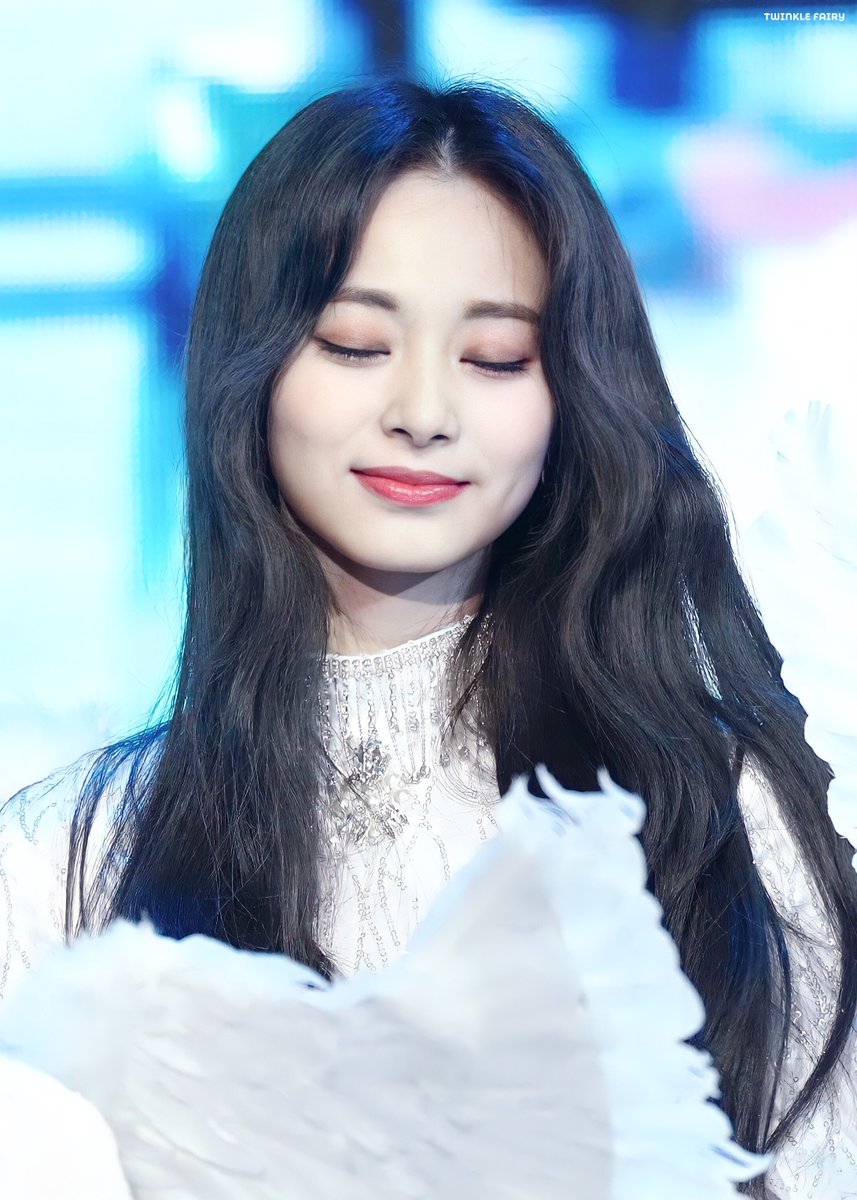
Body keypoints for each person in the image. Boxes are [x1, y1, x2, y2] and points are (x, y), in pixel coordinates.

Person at [1, 78, 855, 1197]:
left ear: (571, 397)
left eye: (494, 357)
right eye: (355, 343)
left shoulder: (736, 819)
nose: (422, 410)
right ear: (249, 371)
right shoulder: (62, 870)